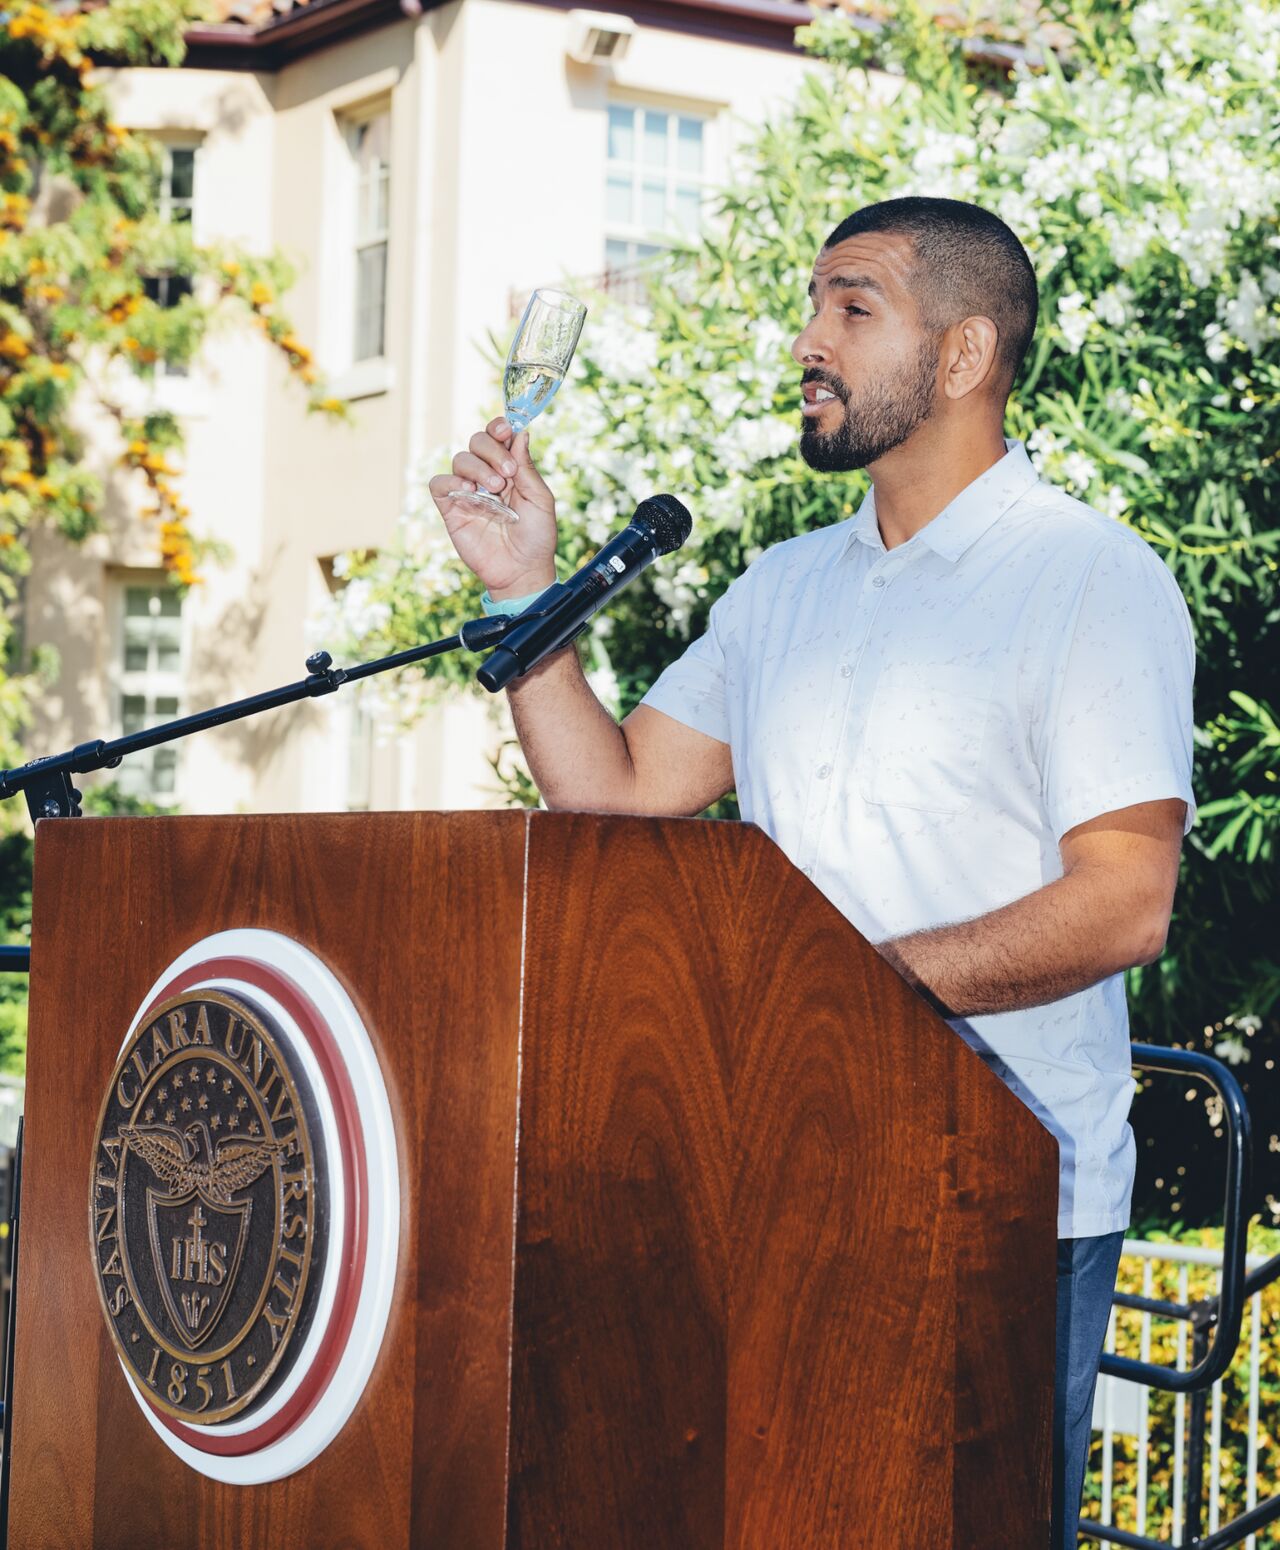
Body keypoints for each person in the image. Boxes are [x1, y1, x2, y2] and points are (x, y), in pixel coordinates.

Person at [430, 195, 1195, 1548]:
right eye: (810, 303)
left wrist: (843, 1000)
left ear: (962, 355)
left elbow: (1128, 898)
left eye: (853, 305)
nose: (807, 339)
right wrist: (519, 593)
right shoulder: (777, 590)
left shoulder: (1091, 577)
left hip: (1000, 1207)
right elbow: (614, 796)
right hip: (768, 1178)